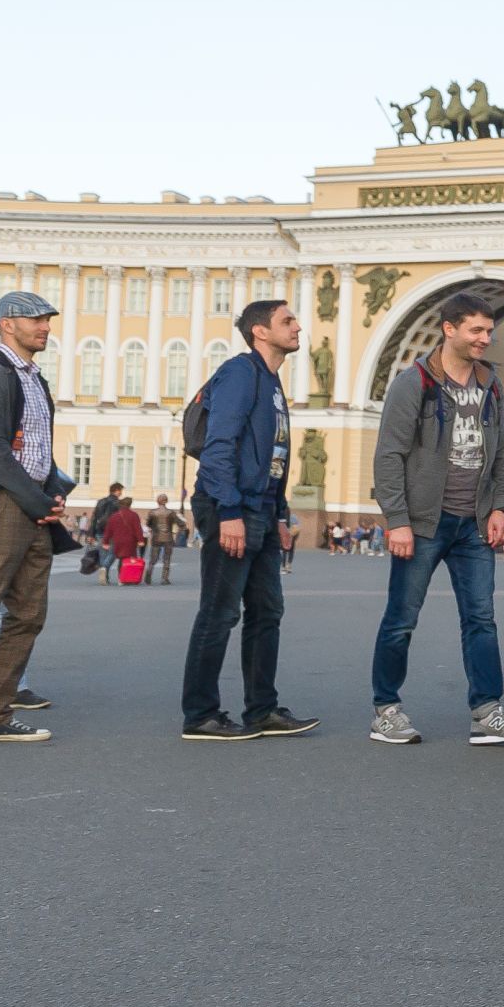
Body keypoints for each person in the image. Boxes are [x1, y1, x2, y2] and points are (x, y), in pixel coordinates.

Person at [367, 291, 504, 747]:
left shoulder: (491, 385)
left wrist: (502, 506)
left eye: (488, 331)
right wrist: (397, 519)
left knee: (482, 618)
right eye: (476, 330)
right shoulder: (412, 383)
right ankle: (387, 709)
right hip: (423, 522)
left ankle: (487, 710)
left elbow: (502, 453)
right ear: (450, 328)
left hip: (474, 524)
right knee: (402, 617)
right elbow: (389, 455)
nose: (485, 338)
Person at [179, 299, 318, 741]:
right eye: (287, 321)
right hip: (230, 505)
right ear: (261, 331)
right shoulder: (241, 373)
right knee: (219, 613)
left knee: (267, 610)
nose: (298, 327)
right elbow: (220, 446)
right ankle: (200, 714)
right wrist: (231, 513)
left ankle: (262, 710)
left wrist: (279, 513)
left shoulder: (272, 383)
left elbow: (274, 456)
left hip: (260, 507)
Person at [0, 291, 74, 743]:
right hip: (7, 504)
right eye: (36, 319)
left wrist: (54, 492)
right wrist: (37, 500)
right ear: (7, 324)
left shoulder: (35, 379)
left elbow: (39, 448)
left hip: (34, 506)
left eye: (47, 320)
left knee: (27, 614)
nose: (45, 327)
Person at [101, 496, 144, 585]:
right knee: (125, 560)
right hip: (129, 542)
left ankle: (104, 568)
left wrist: (105, 541)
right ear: (129, 505)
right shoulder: (134, 515)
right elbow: (138, 529)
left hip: (116, 541)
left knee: (111, 556)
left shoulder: (114, 516)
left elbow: (108, 530)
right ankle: (122, 579)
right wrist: (140, 540)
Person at [90, 481, 124, 582]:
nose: (121, 493)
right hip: (112, 532)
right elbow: (119, 519)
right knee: (113, 553)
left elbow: (94, 518)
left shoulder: (100, 501)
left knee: (103, 554)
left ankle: (105, 577)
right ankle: (104, 568)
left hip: (100, 530)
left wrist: (91, 533)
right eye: (120, 491)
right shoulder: (118, 503)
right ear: (116, 490)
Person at [145, 493, 182, 585]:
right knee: (167, 558)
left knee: (153, 558)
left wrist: (153, 527)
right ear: (166, 501)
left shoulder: (152, 512)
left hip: (156, 537)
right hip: (168, 537)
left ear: (157, 501)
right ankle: (164, 579)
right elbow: (180, 523)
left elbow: (148, 523)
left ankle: (148, 575)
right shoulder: (171, 512)